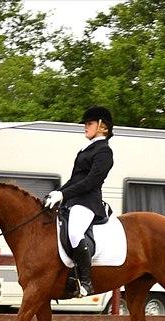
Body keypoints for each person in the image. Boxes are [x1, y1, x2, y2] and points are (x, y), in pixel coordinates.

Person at [44, 106, 114, 297]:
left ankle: (86, 281)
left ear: (102, 127)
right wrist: (57, 192)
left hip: (88, 202)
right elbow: (74, 179)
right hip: (73, 201)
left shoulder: (104, 152)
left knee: (75, 233)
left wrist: (64, 195)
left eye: (89, 123)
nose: (85, 126)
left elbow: (91, 181)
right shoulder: (86, 149)